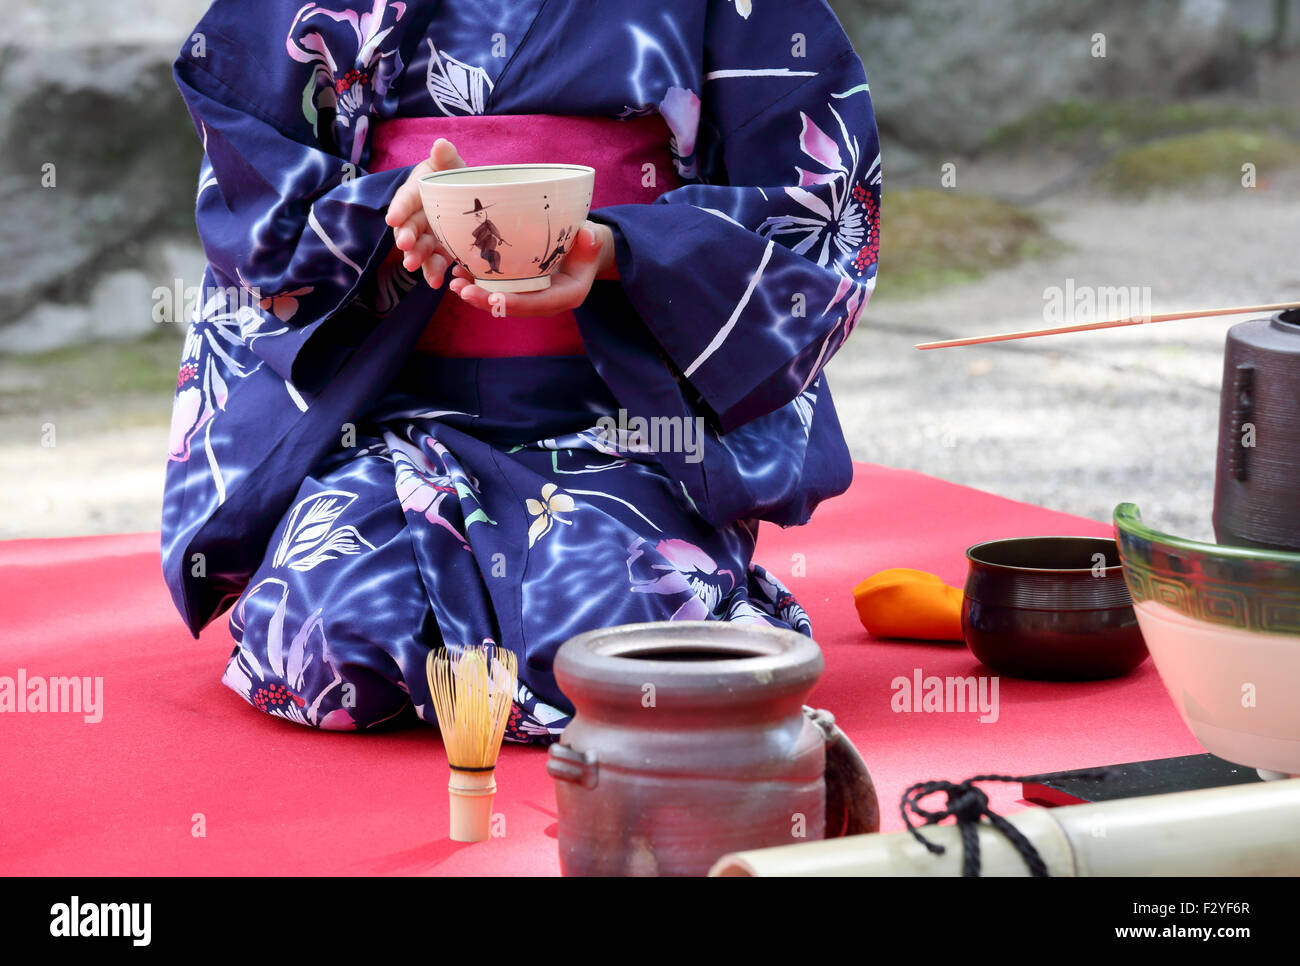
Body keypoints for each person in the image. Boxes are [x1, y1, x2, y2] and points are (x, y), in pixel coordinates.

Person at [162, 0, 882, 741]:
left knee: (609, 630)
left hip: (623, 418)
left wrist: (620, 251)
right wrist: (384, 208)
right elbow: (242, 134)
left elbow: (814, 202)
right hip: (392, 412)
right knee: (326, 624)